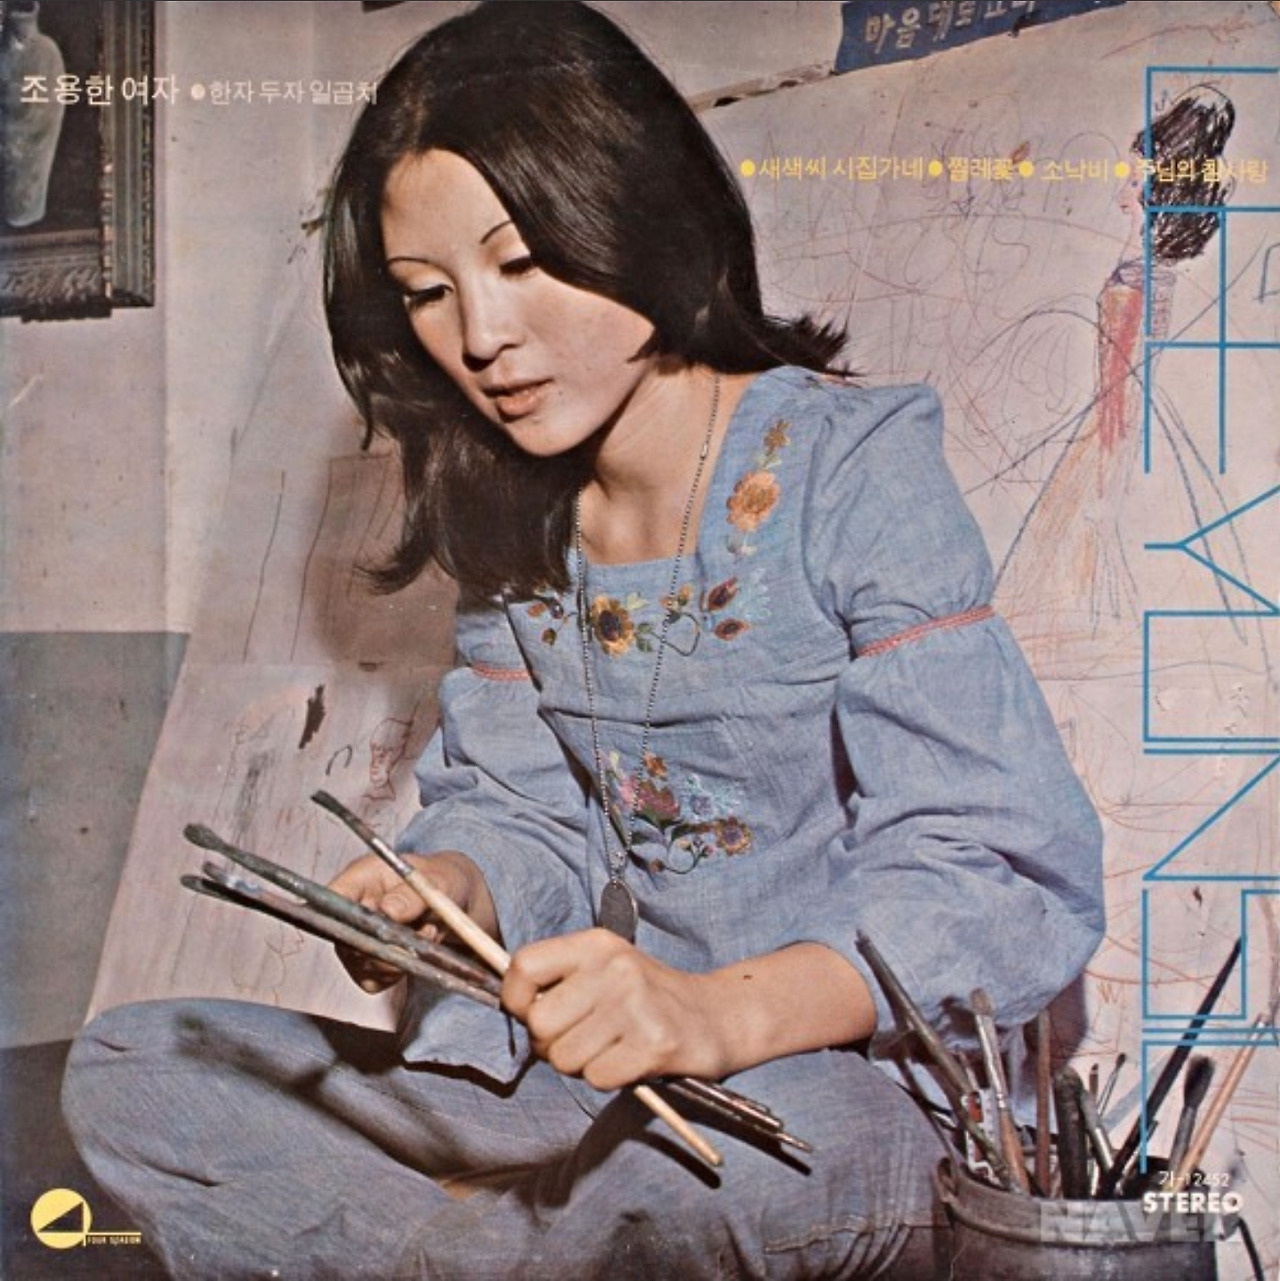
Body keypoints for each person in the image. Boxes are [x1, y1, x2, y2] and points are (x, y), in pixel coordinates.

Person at [63, 4, 1105, 1278]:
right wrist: (456, 887)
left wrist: (712, 1015)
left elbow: (996, 873)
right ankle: (509, 1250)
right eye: (426, 294)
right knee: (139, 1065)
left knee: (718, 1179)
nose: (478, 337)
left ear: (637, 212)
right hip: (596, 1094)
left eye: (519, 263)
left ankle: (477, 1248)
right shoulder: (519, 511)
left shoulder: (848, 471)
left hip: (825, 1094)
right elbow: (521, 810)